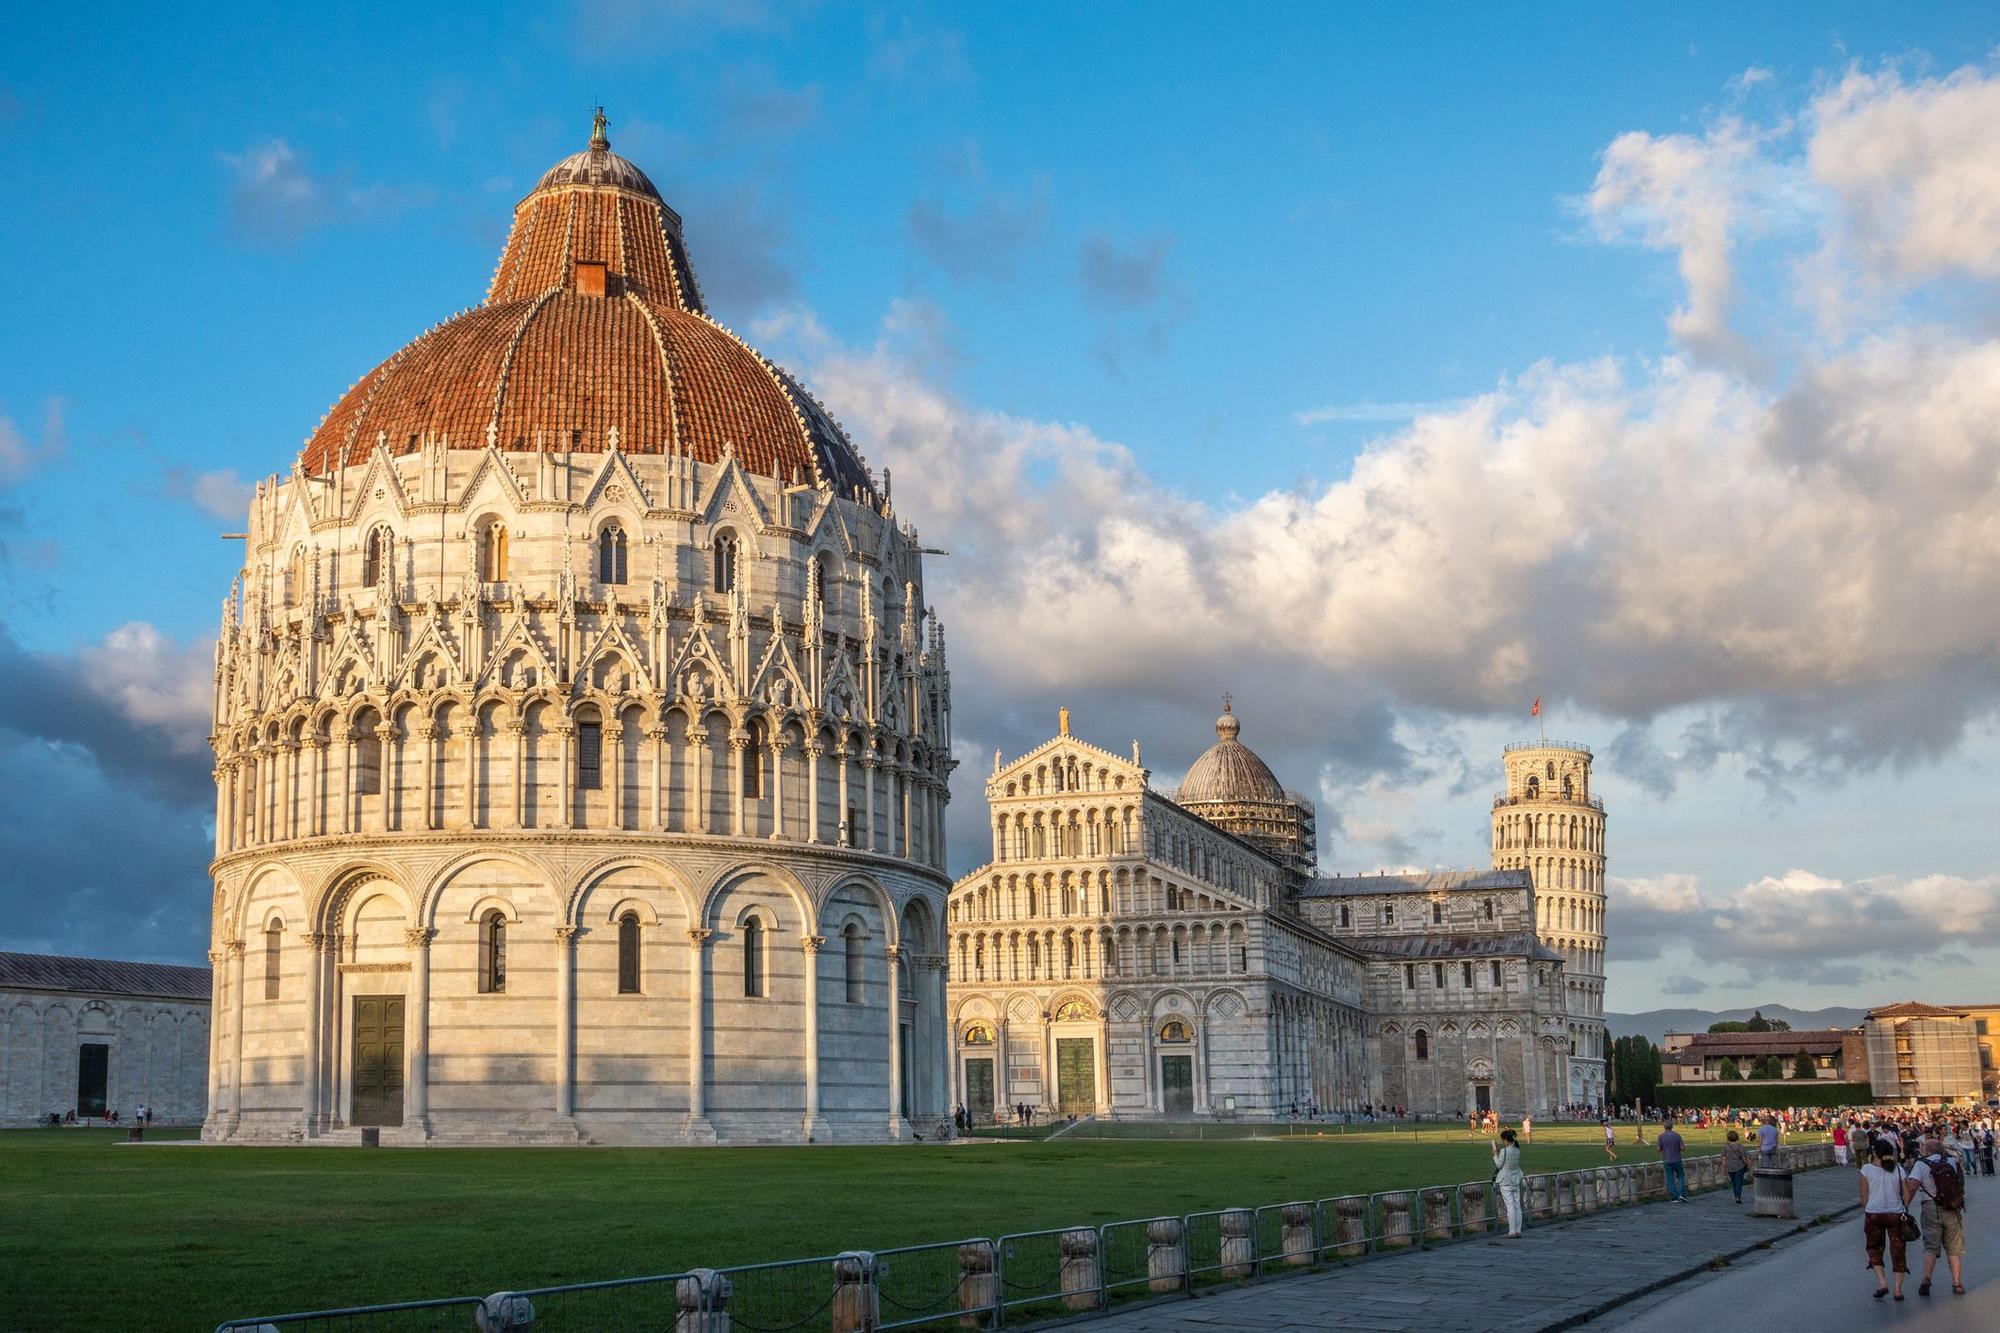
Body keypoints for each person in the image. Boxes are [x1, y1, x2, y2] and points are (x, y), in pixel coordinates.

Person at [1907, 1134, 1967, 1297]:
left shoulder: (1921, 1164)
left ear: (1927, 1150)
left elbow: (1912, 1187)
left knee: (1931, 1246)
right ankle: (1957, 1283)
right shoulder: (1952, 1162)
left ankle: (1926, 1279)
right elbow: (1960, 1183)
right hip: (1951, 1206)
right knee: (1954, 1247)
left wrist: (1904, 1205)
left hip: (1930, 1207)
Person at [1860, 1139, 1911, 1301]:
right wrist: (1904, 1207)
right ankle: (1897, 1289)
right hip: (1896, 1213)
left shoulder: (1866, 1169)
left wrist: (1867, 1208)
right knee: (1898, 1250)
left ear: (1874, 1153)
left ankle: (1882, 1282)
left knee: (1874, 1248)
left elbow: (1863, 1194)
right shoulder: (1898, 1170)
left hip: (1874, 1213)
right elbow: (1907, 1194)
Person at [1493, 1128, 1524, 1238]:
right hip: (1515, 1179)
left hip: (1506, 1180)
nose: (1503, 1142)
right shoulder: (1517, 1150)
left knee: (1510, 1206)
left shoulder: (1504, 1151)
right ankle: (1518, 1229)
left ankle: (1511, 1231)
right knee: (1517, 1205)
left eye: (1503, 1140)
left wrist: (1495, 1154)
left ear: (1506, 1139)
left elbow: (1499, 1165)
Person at [1657, 1118, 1687, 1202]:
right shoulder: (1677, 1135)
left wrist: (1664, 1148)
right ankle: (1681, 1193)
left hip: (1667, 1159)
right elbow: (1682, 1148)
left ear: (1664, 1127)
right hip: (1677, 1159)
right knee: (1680, 1176)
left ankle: (1674, 1196)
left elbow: (1658, 1149)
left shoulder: (1661, 1136)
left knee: (1670, 1179)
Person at [1722, 1129, 1751, 1204]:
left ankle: (1736, 1195)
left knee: (1734, 1183)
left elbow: (1724, 1159)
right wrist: (1747, 1164)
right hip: (1739, 1166)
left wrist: (1724, 1168)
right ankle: (1738, 1197)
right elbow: (1743, 1157)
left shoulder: (1726, 1147)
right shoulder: (1739, 1146)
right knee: (1739, 1182)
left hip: (1730, 1167)